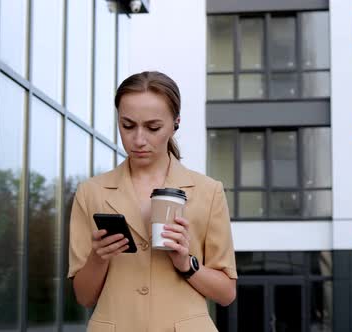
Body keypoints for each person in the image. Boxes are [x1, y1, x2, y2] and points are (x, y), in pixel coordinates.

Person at [68, 71, 237, 331]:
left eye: (153, 127)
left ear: (175, 123)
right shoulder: (91, 192)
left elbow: (226, 293)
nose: (138, 140)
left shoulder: (208, 191)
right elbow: (84, 296)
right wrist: (98, 258)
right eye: (127, 125)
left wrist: (186, 263)